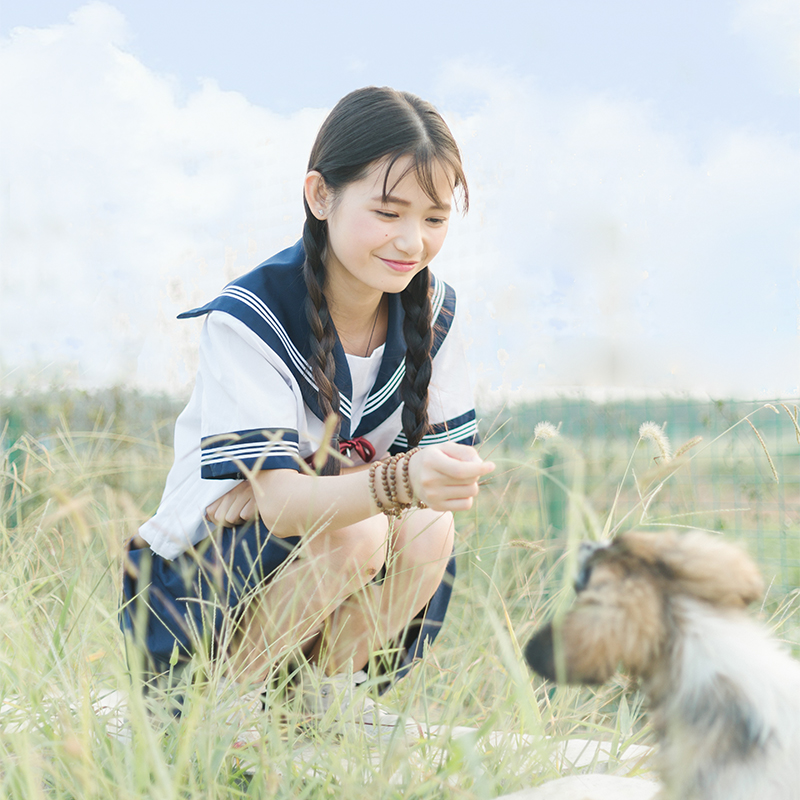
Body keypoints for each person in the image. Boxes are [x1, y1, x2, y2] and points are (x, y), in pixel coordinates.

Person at [121, 86, 495, 732]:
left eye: (433, 219)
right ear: (320, 195)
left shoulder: (432, 311)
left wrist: (310, 486)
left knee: (427, 527)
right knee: (358, 527)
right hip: (187, 593)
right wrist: (365, 485)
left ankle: (323, 698)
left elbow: (447, 478)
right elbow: (295, 509)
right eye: (388, 211)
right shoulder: (251, 317)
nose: (412, 240)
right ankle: (226, 708)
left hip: (299, 569)